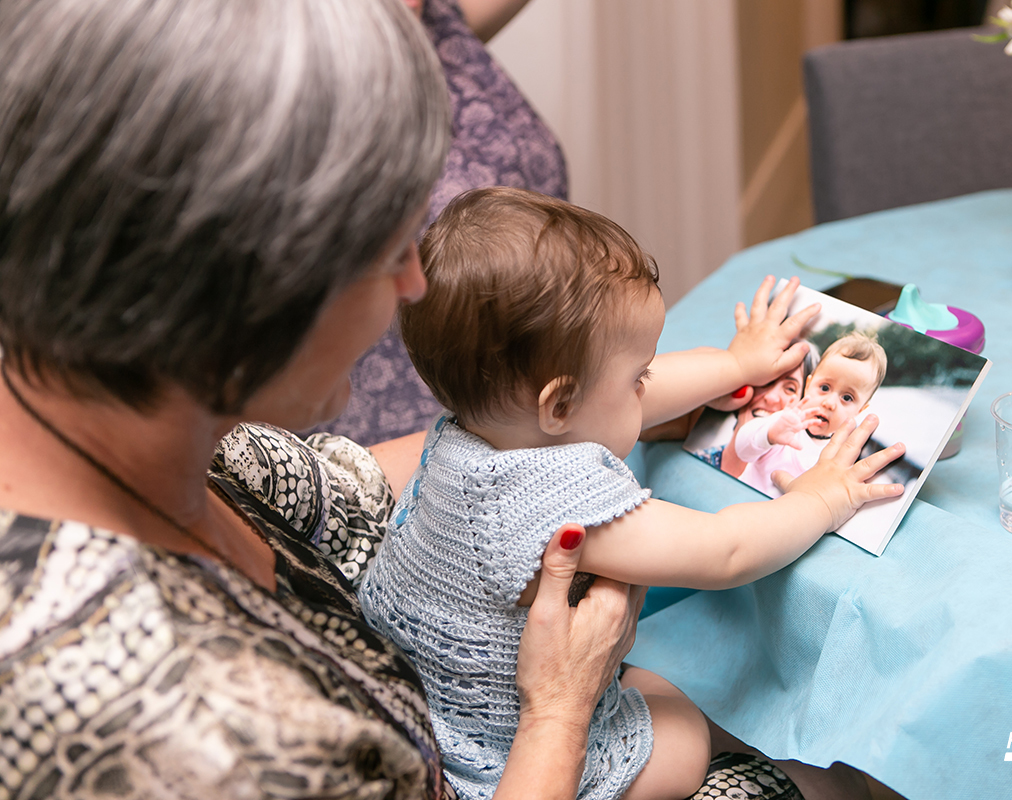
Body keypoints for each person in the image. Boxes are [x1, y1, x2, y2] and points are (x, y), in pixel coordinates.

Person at [0, 2, 647, 797]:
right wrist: (560, 708)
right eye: (389, 251)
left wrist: (605, 402)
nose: (414, 283)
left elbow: (345, 484)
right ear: (248, 287)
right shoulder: (207, 736)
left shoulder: (112, 411)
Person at [358, 187, 907, 800]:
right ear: (559, 405)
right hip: (501, 760)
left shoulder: (462, 437)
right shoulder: (550, 503)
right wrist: (821, 500)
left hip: (441, 711)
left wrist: (734, 366)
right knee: (683, 729)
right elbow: (724, 550)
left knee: (657, 683)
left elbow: (634, 393)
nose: (648, 385)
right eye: (638, 376)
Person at [315, 0, 568, 446]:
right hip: (406, 456)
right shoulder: (288, 82)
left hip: (545, 408)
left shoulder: (431, 21)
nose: (412, 281)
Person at [727, 332, 888, 498]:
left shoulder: (838, 459)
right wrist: (769, 435)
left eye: (847, 398)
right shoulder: (785, 423)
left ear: (860, 410)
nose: (829, 403)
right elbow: (742, 450)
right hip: (741, 501)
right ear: (808, 385)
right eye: (824, 388)